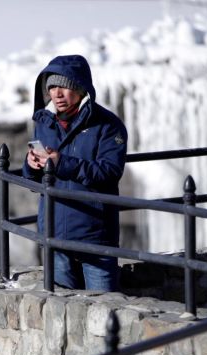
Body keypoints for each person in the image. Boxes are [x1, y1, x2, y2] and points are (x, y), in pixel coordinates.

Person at [22, 54, 128, 292]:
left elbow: (110, 172)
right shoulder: (44, 123)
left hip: (95, 237)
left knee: (105, 312)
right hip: (55, 235)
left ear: (81, 88)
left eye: (65, 86)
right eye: (52, 87)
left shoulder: (108, 126)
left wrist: (62, 163)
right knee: (61, 312)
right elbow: (34, 180)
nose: (57, 94)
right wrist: (31, 164)